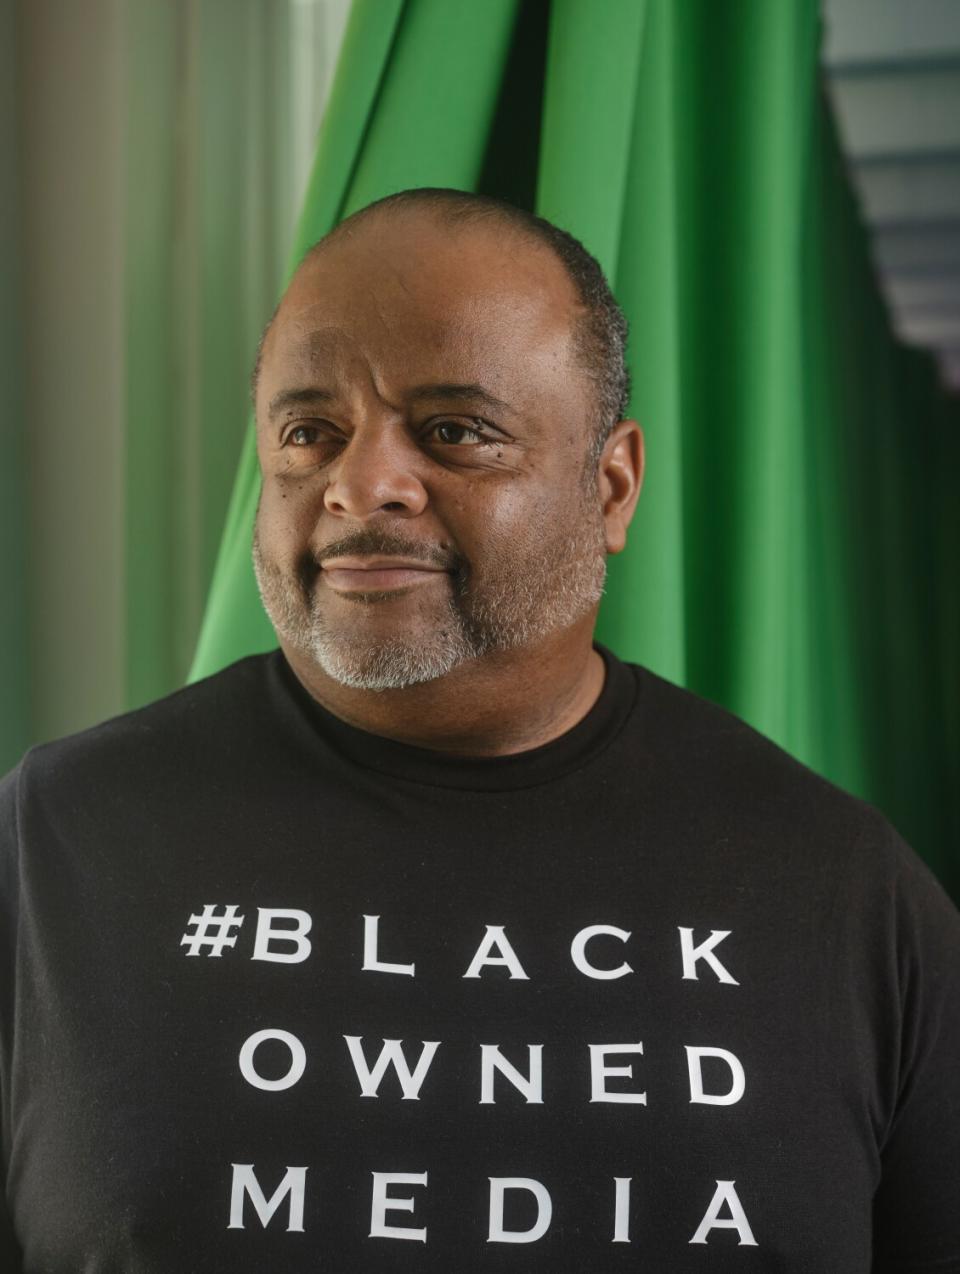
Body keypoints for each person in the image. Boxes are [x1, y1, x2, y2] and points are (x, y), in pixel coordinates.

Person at [1, 188, 958, 1273]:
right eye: (311, 432)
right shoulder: (57, 843)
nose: (363, 485)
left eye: (457, 431)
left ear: (611, 485)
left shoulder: (839, 885)